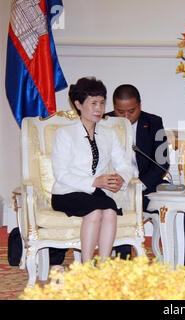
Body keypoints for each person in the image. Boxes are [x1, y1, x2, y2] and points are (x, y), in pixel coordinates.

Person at [108, 84, 185, 272]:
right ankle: (123, 256)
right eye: (121, 112)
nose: (126, 117)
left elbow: (161, 163)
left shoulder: (153, 122)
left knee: (178, 199)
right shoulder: (104, 123)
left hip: (146, 185)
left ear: (139, 105)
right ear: (114, 108)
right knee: (113, 204)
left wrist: (141, 185)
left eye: (131, 111)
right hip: (116, 188)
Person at [51, 77, 132, 263]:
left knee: (110, 211)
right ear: (78, 104)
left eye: (102, 103)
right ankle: (86, 267)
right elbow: (61, 174)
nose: (99, 109)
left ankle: (103, 266)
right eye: (93, 103)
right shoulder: (64, 134)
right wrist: (94, 182)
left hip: (95, 193)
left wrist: (122, 179)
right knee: (95, 211)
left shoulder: (109, 134)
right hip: (66, 192)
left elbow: (125, 166)